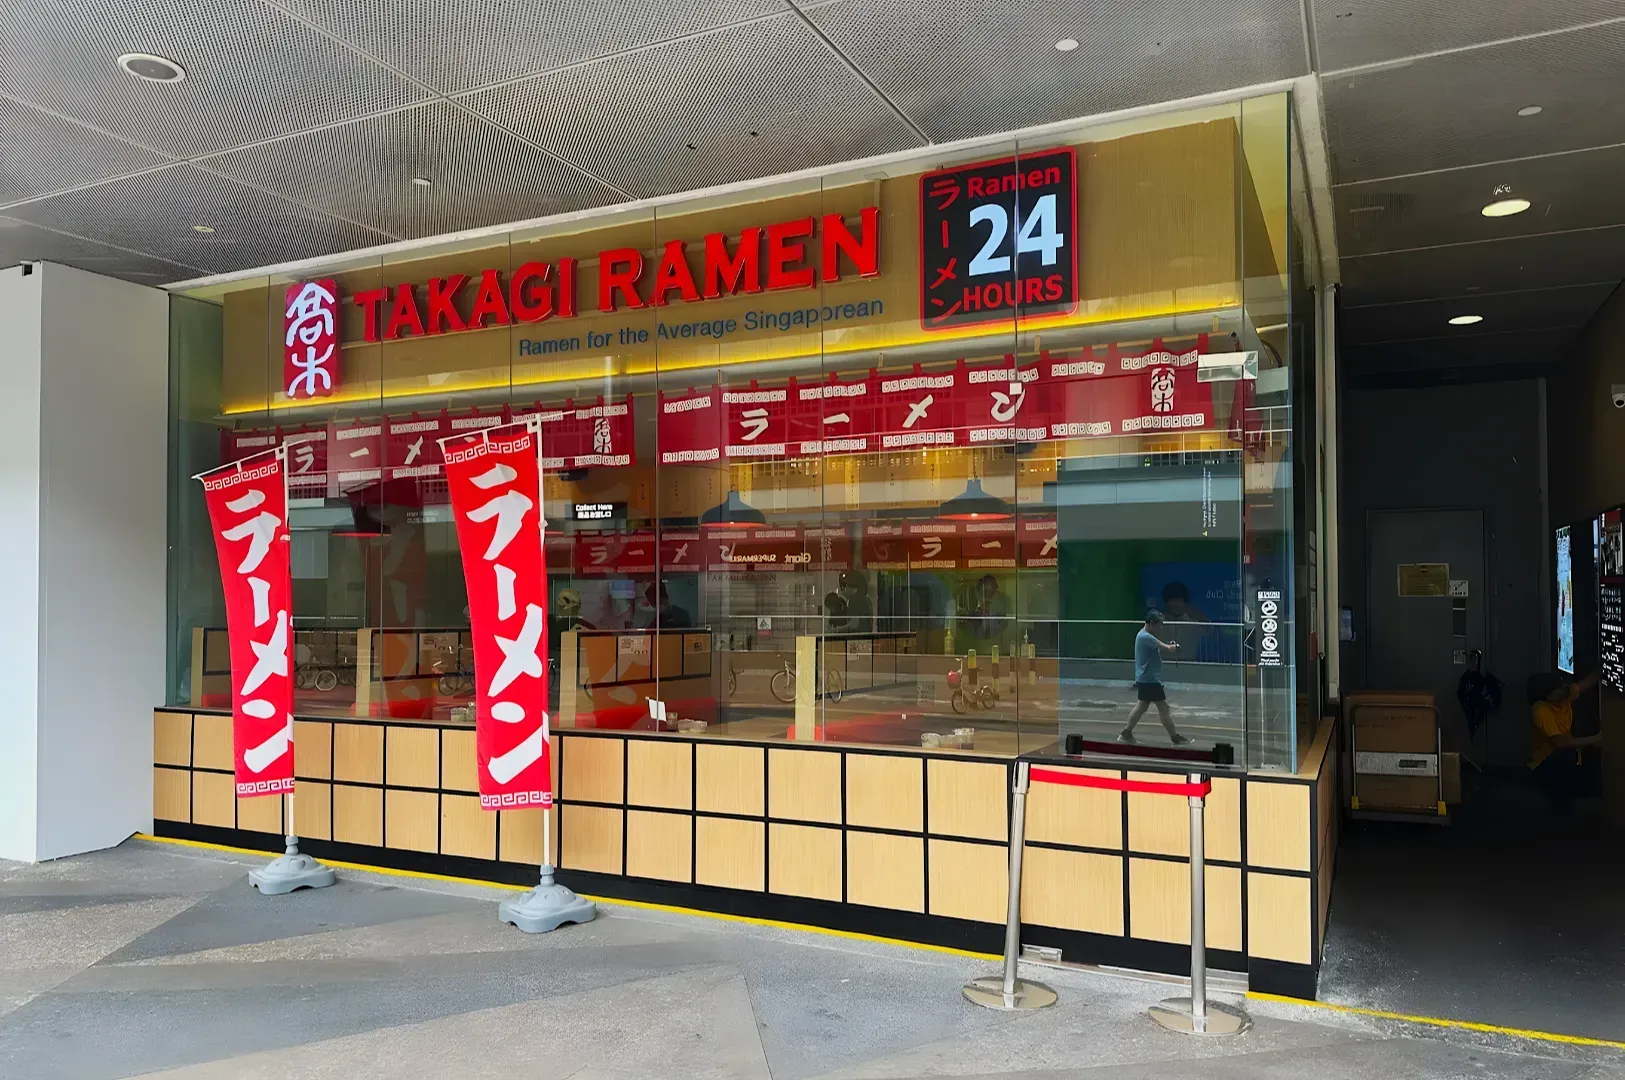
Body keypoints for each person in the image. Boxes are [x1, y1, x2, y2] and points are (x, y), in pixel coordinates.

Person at [1528, 669, 1603, 810]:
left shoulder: (1564, 696)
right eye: (1558, 688)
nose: (1565, 689)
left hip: (1568, 759)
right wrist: (1597, 739)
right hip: (1546, 765)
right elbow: (1561, 743)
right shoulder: (1540, 710)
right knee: (1566, 755)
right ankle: (1559, 806)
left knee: (1594, 782)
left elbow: (1588, 682)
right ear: (1548, 696)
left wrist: (1605, 665)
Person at [1119, 610, 1189, 745]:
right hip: (1150, 680)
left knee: (1142, 707)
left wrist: (1170, 645)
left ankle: (1126, 733)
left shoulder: (1144, 635)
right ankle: (1175, 738)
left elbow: (1160, 646)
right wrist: (1176, 646)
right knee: (1163, 709)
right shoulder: (1146, 637)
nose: (1161, 628)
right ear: (1151, 623)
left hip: (1147, 679)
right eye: (1159, 625)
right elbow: (1167, 648)